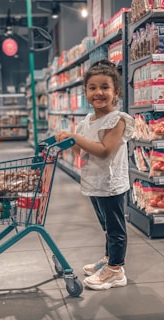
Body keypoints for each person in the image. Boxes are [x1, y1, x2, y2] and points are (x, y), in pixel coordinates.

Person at [55, 59, 135, 290]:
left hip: (110, 183)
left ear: (116, 92)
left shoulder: (117, 120)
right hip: (94, 182)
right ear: (85, 92)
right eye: (92, 88)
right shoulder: (87, 121)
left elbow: (104, 150)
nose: (98, 93)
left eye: (105, 87)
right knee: (106, 226)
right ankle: (110, 259)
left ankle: (116, 270)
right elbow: (83, 151)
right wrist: (70, 142)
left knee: (116, 228)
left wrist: (75, 137)